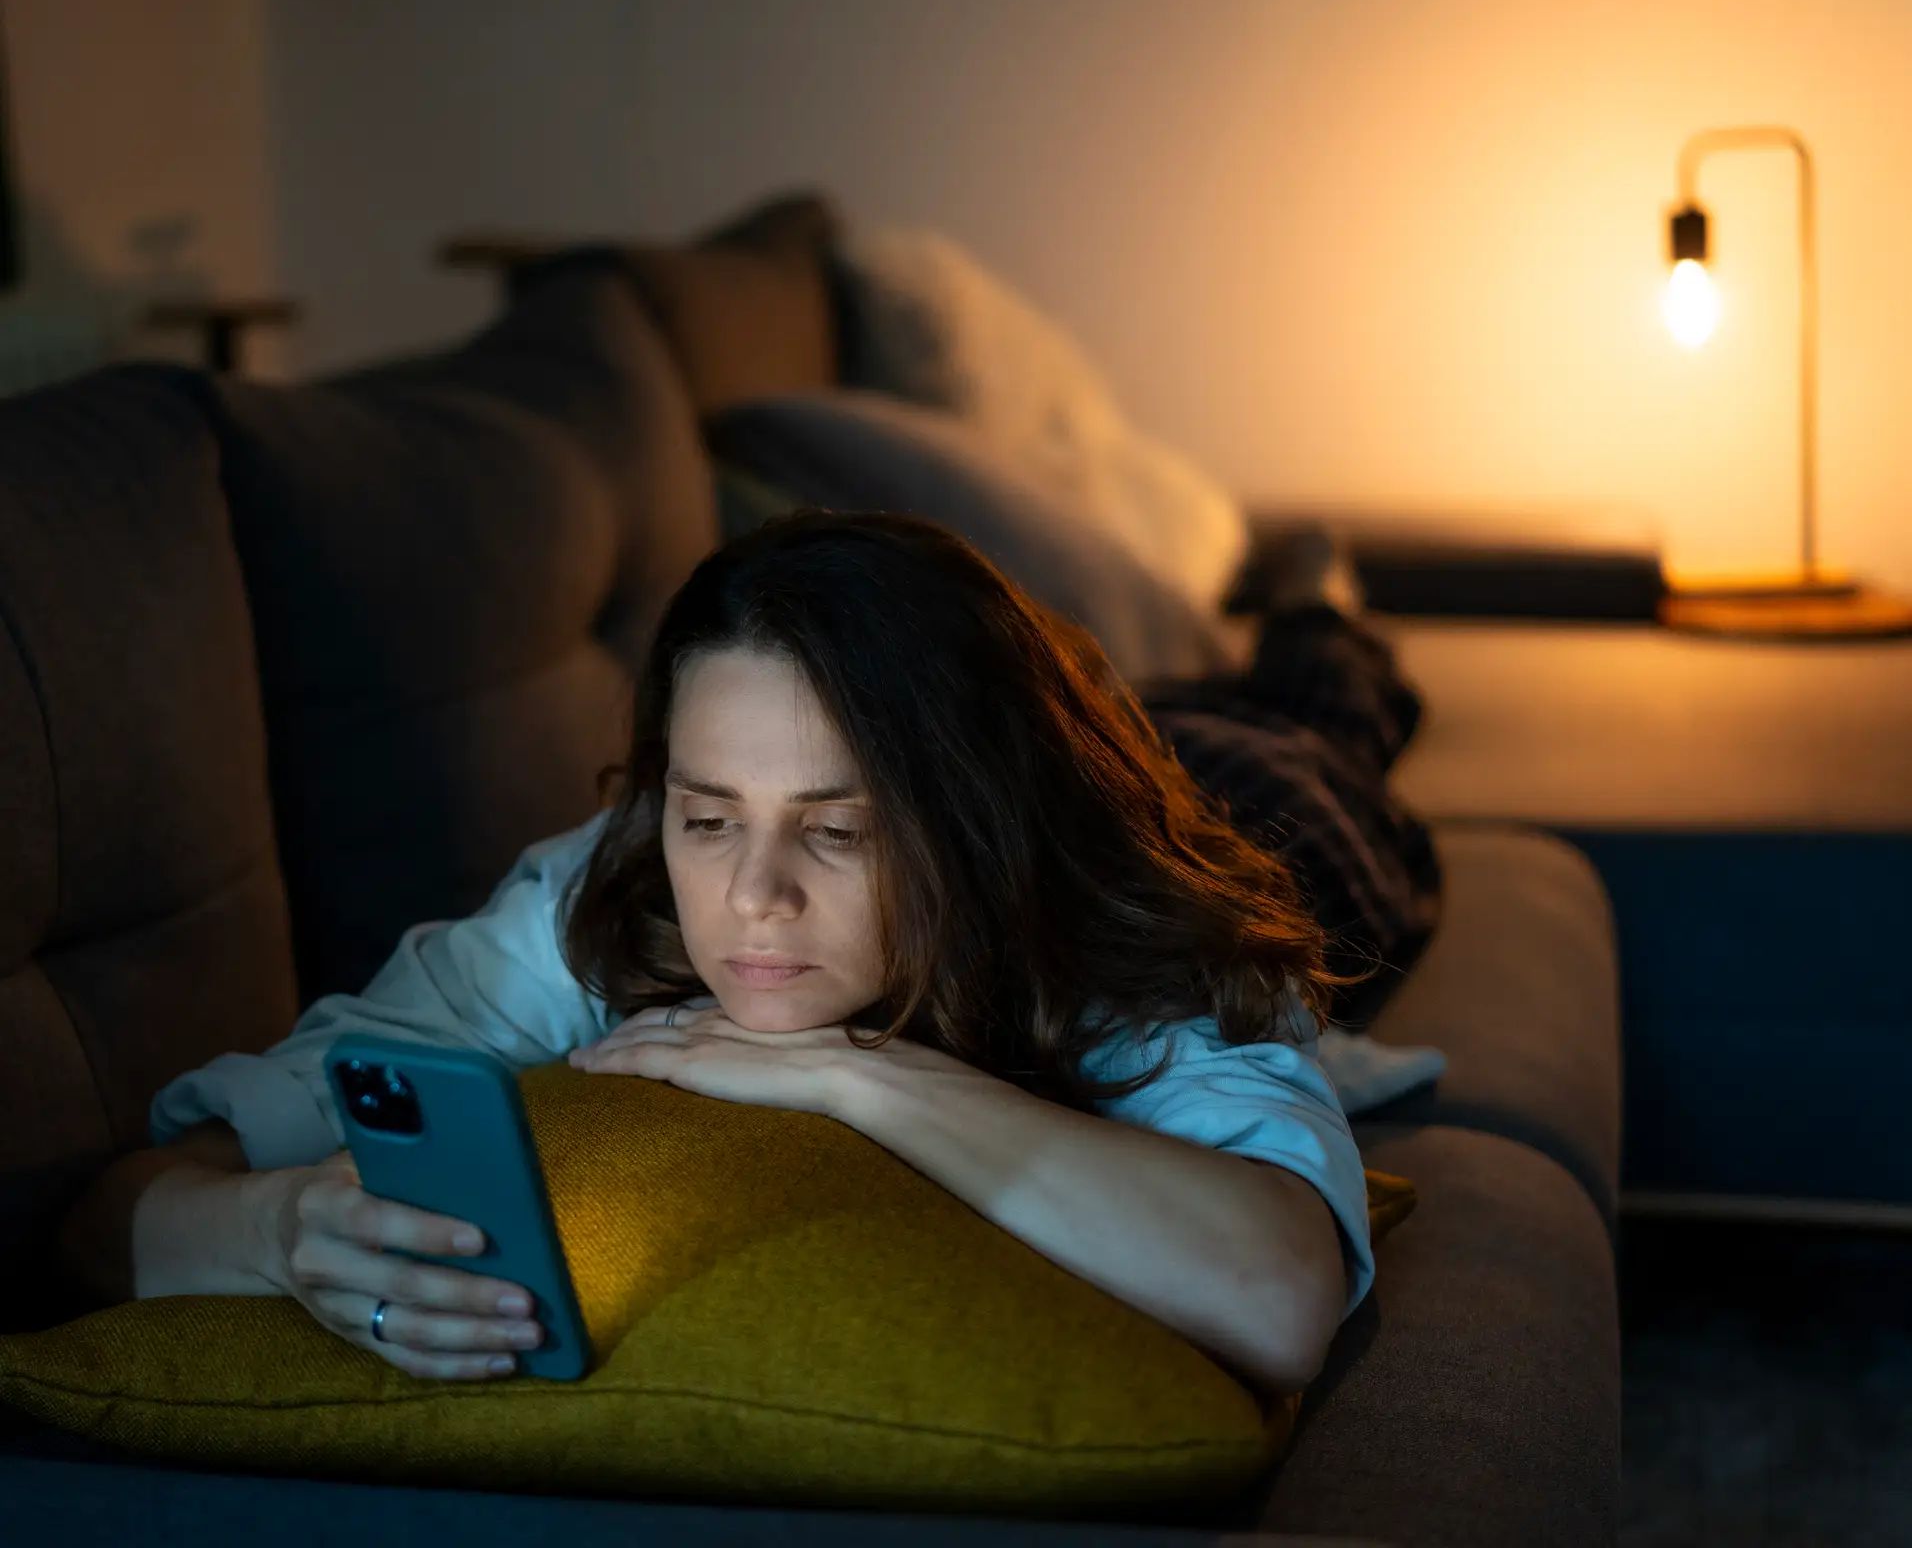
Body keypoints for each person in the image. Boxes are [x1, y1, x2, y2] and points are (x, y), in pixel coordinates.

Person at [56, 512, 1386, 1400]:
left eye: (840, 828)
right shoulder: (599, 899)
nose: (753, 897)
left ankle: (1315, 599)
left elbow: (1276, 1297)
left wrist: (851, 1076)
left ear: (973, 826)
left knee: (1320, 705)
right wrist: (282, 1231)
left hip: (1274, 807)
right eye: (708, 815)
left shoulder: (1118, 936)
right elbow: (110, 1218)